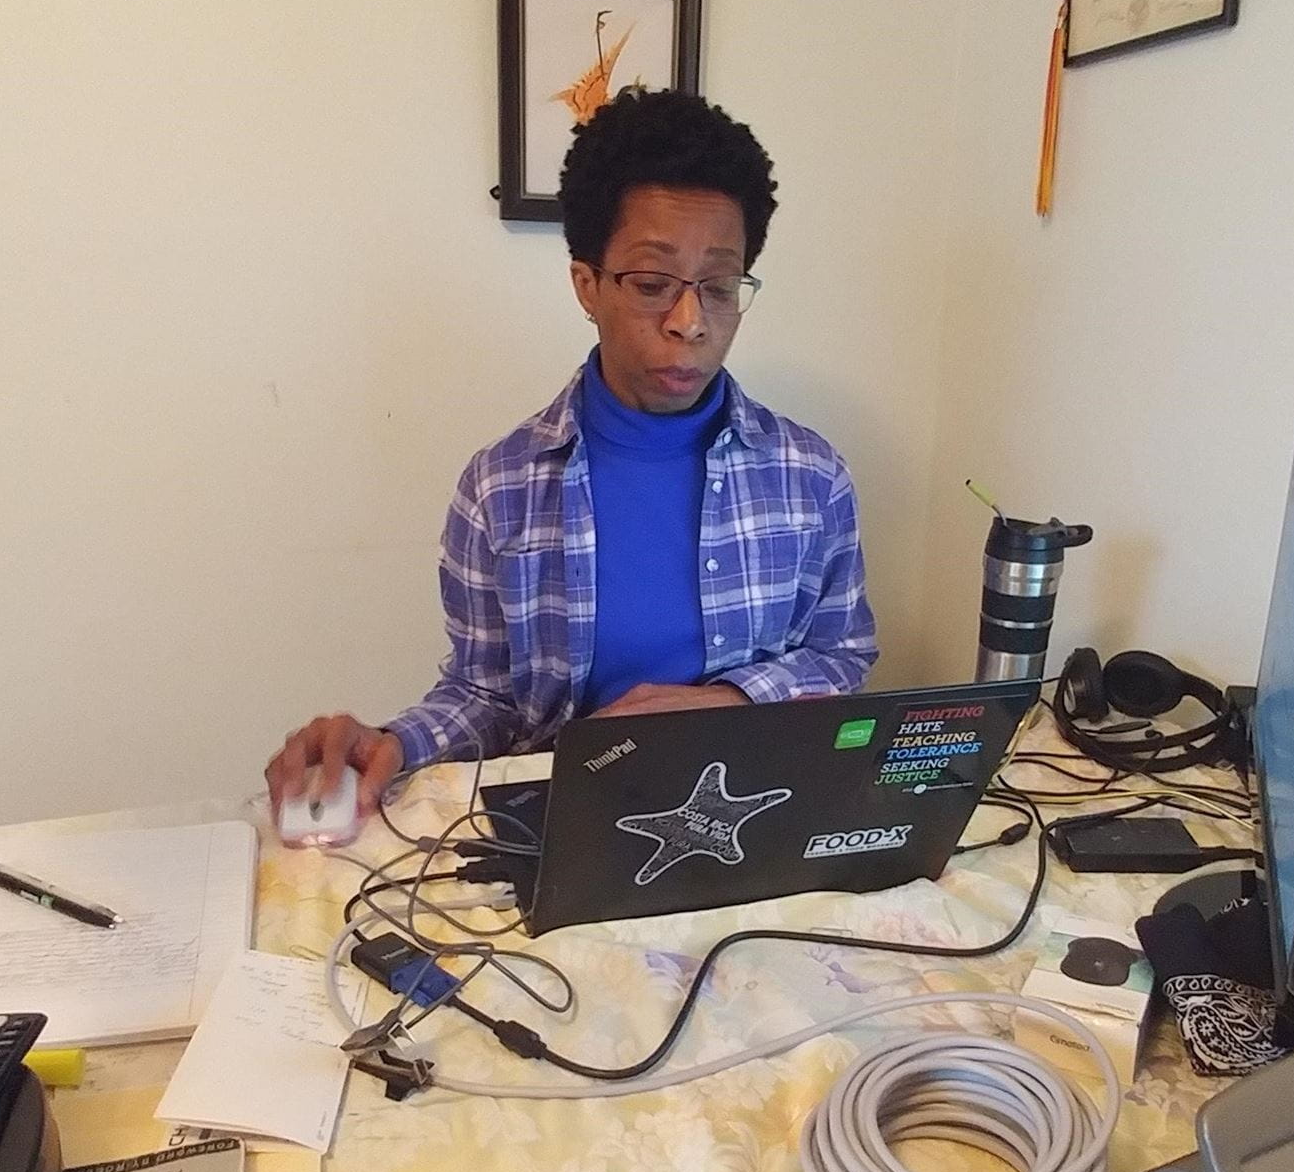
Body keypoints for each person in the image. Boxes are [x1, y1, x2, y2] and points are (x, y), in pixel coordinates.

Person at [265, 89, 878, 810]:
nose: (689, 322)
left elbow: (842, 656)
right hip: (564, 817)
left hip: (754, 811)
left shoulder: (810, 477)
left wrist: (729, 701)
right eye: (652, 284)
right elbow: (487, 695)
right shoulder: (502, 486)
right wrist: (393, 742)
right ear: (587, 286)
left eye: (718, 287)